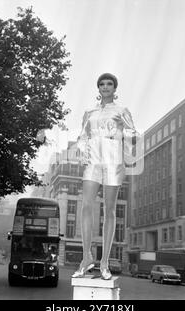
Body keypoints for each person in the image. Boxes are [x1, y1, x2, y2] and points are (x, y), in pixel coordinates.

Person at [71, 73, 142, 280]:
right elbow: (82, 136)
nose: (105, 87)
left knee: (109, 209)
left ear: (114, 88)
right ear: (98, 88)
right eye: (102, 84)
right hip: (93, 161)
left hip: (113, 160)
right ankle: (86, 258)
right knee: (86, 205)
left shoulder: (122, 111)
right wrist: (83, 152)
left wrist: (125, 132)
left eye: (109, 84)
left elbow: (134, 136)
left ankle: (104, 263)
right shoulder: (89, 112)